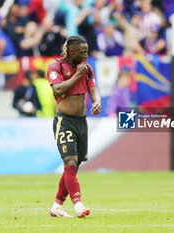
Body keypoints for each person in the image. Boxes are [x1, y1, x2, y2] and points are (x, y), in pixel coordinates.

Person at [47, 35, 101, 218]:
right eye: (82, 51)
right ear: (71, 52)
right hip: (65, 121)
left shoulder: (87, 69)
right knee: (69, 161)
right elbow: (58, 89)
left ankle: (56, 206)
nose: (86, 54)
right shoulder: (56, 66)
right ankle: (78, 204)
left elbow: (93, 89)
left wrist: (97, 101)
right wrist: (77, 74)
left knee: (74, 166)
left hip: (81, 121)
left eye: (87, 50)